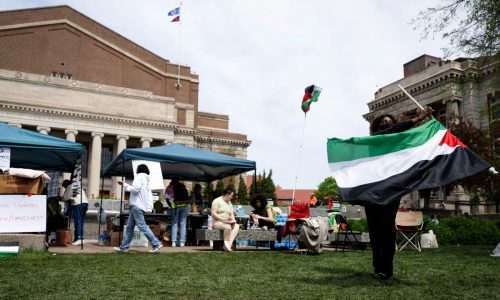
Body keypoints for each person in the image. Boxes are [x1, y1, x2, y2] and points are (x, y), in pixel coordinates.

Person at [365, 106, 433, 280]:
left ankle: (386, 269)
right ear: (377, 128)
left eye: (390, 122)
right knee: (374, 230)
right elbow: (391, 132)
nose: (387, 125)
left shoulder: (400, 144)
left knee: (387, 229)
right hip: (372, 191)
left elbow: (413, 138)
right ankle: (377, 265)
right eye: (383, 123)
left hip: (390, 191)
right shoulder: (374, 140)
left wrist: (425, 122)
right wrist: (417, 119)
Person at [114, 164, 162, 253]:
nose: (136, 171)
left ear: (139, 170)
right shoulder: (147, 180)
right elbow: (148, 195)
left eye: (136, 169)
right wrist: (149, 207)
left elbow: (135, 189)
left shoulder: (139, 177)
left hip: (136, 205)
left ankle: (156, 243)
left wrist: (124, 185)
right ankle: (124, 247)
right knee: (130, 227)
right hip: (139, 206)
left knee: (141, 226)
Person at [62, 179, 89, 245]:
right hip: (85, 203)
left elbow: (65, 198)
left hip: (78, 204)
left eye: (64, 187)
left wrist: (61, 198)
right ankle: (80, 238)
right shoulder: (78, 186)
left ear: (66, 185)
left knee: (78, 221)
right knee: (81, 221)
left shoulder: (69, 187)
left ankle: (79, 238)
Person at [170, 178, 190, 247]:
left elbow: (172, 200)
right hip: (184, 207)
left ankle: (173, 242)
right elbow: (188, 200)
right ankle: (182, 242)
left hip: (176, 207)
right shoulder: (185, 190)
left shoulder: (174, 189)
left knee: (175, 224)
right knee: (183, 224)